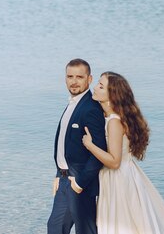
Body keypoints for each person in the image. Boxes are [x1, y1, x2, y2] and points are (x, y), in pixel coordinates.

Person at [82, 72, 164, 234]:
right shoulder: (111, 118)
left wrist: (90, 146)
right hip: (124, 176)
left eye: (101, 86)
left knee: (121, 225)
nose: (95, 87)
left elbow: (114, 162)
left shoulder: (114, 123)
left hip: (118, 180)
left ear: (112, 95)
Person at [47, 58, 107, 234]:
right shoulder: (73, 103)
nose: (74, 81)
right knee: (55, 228)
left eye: (79, 77)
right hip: (64, 180)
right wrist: (59, 172)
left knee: (85, 231)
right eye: (70, 76)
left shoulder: (91, 108)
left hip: (80, 182)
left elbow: (99, 151)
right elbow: (66, 144)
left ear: (89, 79)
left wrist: (80, 183)